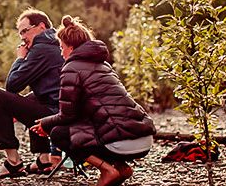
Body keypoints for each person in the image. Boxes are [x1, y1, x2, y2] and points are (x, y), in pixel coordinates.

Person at [31, 15, 156, 186]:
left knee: (59, 133)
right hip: (142, 137)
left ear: (72, 48)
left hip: (121, 141)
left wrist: (45, 124)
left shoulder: (71, 68)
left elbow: (67, 116)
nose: (61, 52)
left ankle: (107, 170)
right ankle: (121, 167)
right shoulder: (104, 65)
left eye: (62, 47)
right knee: (96, 125)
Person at [0, 8, 64, 179]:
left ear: (42, 27)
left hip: (56, 116)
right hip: (63, 110)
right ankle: (44, 159)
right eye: (20, 33)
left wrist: (20, 58)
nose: (22, 37)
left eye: (25, 31)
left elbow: (12, 85)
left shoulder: (41, 48)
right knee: (33, 97)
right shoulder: (57, 44)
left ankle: (13, 162)